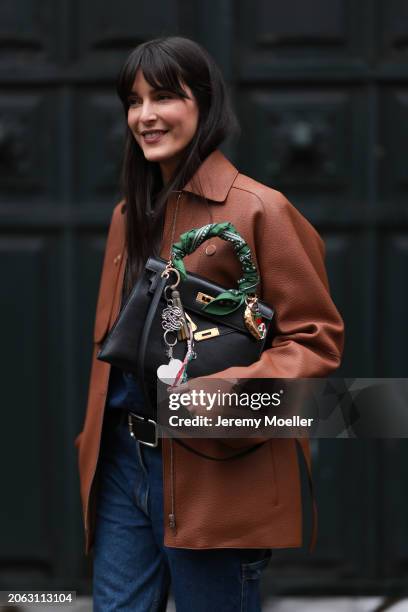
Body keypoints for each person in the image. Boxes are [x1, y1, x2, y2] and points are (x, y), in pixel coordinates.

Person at [74, 36, 344, 611]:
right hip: (124, 465)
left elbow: (316, 341)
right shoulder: (127, 215)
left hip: (215, 469)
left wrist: (224, 389)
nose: (145, 115)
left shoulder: (259, 209)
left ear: (205, 103)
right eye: (134, 100)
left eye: (164, 96)